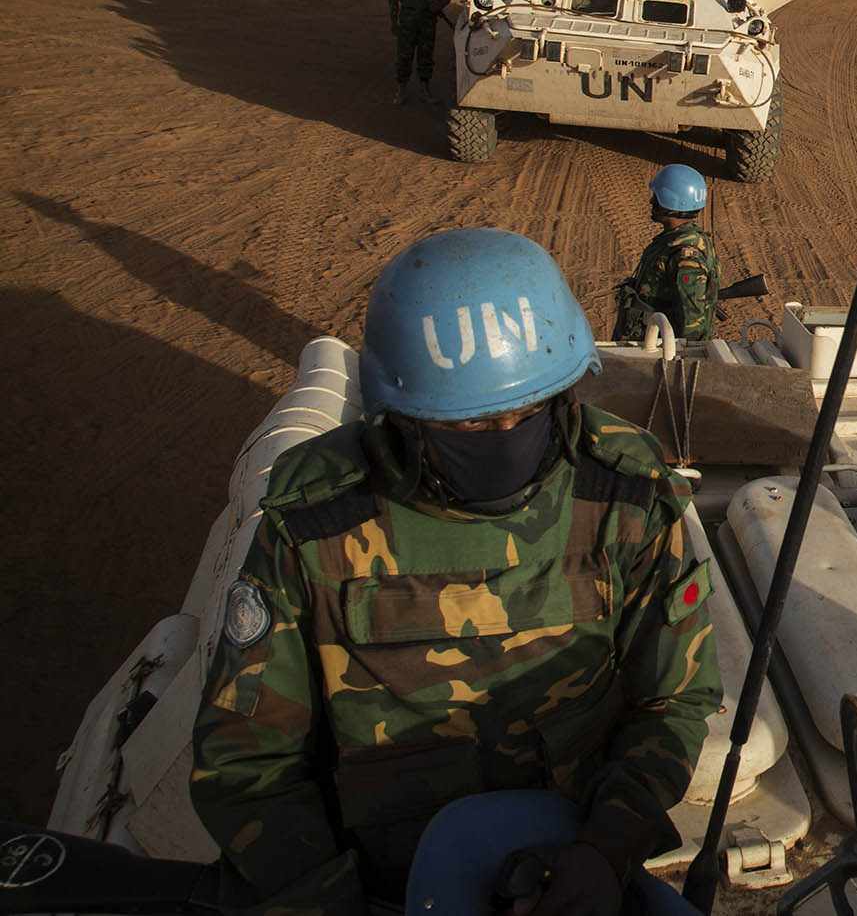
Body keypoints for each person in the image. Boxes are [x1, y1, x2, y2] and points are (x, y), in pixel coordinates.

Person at [190, 228, 722, 916]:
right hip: (380, 883)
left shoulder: (623, 496)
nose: (505, 435)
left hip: (572, 866)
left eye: (527, 411)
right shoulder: (317, 526)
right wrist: (325, 898)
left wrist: (606, 848)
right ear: (405, 419)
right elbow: (246, 760)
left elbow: (672, 701)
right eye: (468, 425)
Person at [614, 165, 719, 344]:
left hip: (658, 349)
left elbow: (692, 326)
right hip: (650, 340)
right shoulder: (675, 239)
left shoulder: (686, 256)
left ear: (671, 202)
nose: (651, 201)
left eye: (657, 197)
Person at [386, 0, 451, 105]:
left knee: (426, 56)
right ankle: (401, 90)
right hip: (407, 19)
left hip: (428, 20)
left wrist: (439, 5)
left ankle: (425, 89)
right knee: (404, 56)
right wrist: (394, 20)